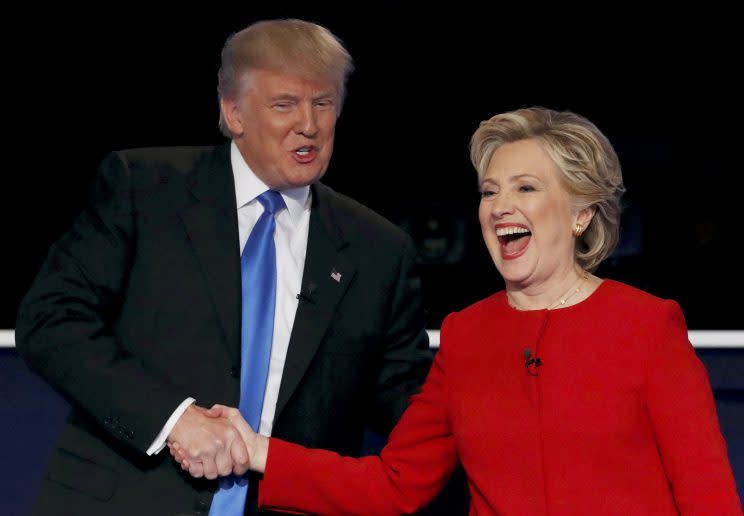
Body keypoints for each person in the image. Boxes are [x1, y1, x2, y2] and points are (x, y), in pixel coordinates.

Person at [175, 107, 743, 515]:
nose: (500, 208)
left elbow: (708, 498)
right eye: (490, 190)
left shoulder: (647, 326)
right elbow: (395, 483)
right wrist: (257, 451)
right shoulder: (467, 334)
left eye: (525, 188)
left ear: (582, 215)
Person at [15, 19, 433, 516]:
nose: (309, 124)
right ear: (233, 113)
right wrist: (174, 420)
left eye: (323, 103)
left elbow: (406, 399)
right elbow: (52, 322)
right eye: (284, 104)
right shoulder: (144, 190)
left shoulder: (377, 248)